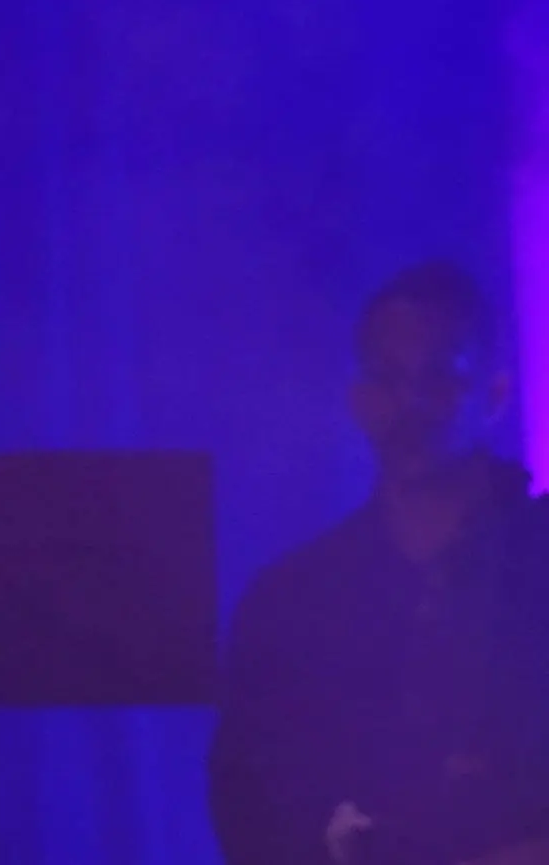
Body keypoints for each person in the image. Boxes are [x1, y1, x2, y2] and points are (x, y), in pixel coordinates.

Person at [209, 262, 549, 865]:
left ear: (494, 395)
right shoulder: (293, 603)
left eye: (438, 378)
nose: (409, 404)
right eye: (388, 378)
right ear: (359, 398)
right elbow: (252, 810)